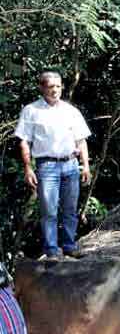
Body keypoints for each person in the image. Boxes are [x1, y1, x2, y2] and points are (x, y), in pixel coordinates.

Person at [15, 71, 92, 259]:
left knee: (70, 209)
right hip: (47, 165)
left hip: (71, 164)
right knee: (49, 210)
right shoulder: (31, 111)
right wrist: (28, 167)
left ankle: (69, 245)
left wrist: (86, 166)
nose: (55, 90)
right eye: (50, 87)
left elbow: (81, 140)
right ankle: (51, 249)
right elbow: (24, 141)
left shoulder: (70, 111)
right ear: (41, 88)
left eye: (58, 86)